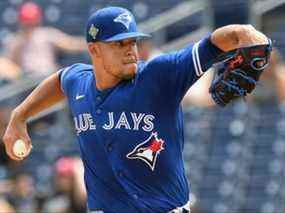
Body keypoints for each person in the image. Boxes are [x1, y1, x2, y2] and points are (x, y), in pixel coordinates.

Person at [2, 6, 269, 212]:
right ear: (94, 50)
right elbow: (60, 80)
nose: (131, 50)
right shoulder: (79, 81)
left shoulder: (159, 75)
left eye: (132, 42)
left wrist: (245, 34)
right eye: (119, 44)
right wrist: (20, 115)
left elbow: (215, 43)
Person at [4, 1, 86, 79]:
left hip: (49, 77)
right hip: (26, 82)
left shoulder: (47, 34)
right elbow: (9, 66)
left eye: (33, 23)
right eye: (27, 24)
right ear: (21, 23)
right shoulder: (16, 41)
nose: (30, 27)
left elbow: (71, 44)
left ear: (38, 21)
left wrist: (92, 43)